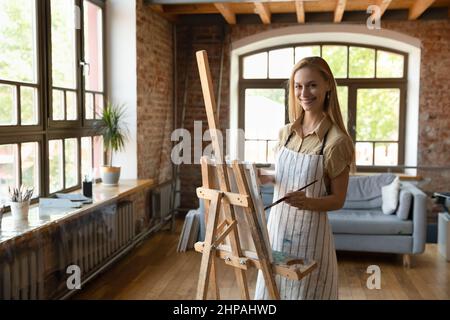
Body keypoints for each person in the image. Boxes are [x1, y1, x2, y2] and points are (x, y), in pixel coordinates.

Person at [254, 56, 355, 300]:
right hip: (277, 231)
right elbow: (284, 175)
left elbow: (338, 200)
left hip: (310, 240)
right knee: (272, 294)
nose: (304, 92)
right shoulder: (286, 132)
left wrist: (308, 202)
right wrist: (264, 177)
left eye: (312, 85)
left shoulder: (336, 141)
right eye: (298, 86)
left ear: (327, 85)